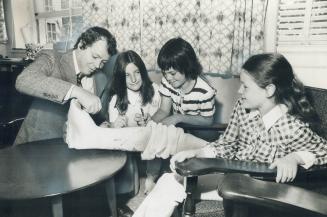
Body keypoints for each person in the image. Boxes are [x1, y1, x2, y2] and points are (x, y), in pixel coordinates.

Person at [132, 53, 327, 217]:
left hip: (258, 192)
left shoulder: (291, 127)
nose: (239, 90)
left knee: (173, 184)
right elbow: (228, 143)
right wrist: (198, 153)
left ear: (269, 90)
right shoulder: (244, 108)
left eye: (245, 86)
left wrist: (295, 158)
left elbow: (324, 150)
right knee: (169, 180)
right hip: (232, 177)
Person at [15, 26, 117, 145]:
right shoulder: (52, 59)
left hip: (76, 149)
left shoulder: (101, 79)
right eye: (95, 57)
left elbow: (96, 117)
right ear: (81, 45)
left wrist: (103, 126)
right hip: (35, 148)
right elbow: (24, 80)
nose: (98, 65)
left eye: (103, 62)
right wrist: (76, 91)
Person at [146, 37, 217, 193]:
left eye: (172, 73)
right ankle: (151, 178)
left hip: (201, 135)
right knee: (158, 133)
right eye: (165, 73)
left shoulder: (205, 91)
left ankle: (180, 186)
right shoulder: (168, 82)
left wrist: (178, 117)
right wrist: (149, 124)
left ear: (187, 67)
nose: (168, 78)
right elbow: (164, 110)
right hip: (180, 132)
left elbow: (208, 121)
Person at [101, 50, 161, 128]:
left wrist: (150, 121)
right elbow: (112, 131)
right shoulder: (115, 100)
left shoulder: (156, 90)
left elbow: (165, 117)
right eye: (127, 75)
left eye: (137, 72)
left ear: (142, 71)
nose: (133, 80)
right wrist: (114, 126)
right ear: (121, 78)